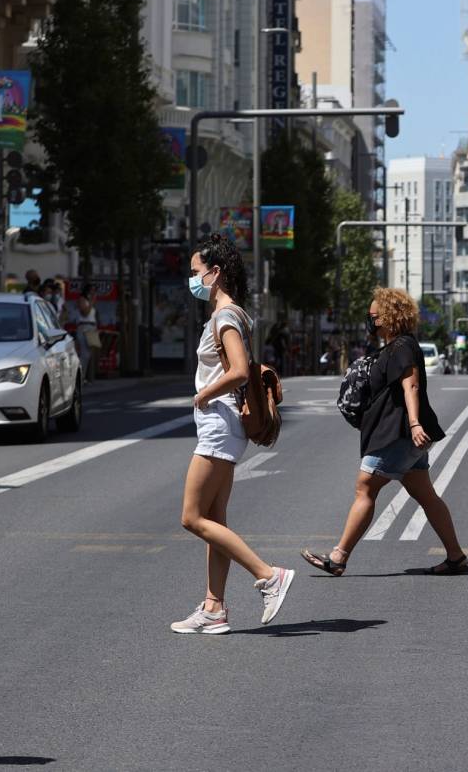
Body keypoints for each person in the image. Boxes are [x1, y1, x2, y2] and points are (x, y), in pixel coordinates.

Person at [171, 233, 295, 635]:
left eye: (196, 272)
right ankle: (214, 608)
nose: (192, 280)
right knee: (214, 518)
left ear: (215, 272)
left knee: (191, 517)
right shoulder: (234, 313)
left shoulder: (225, 316)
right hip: (225, 424)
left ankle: (267, 575)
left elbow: (239, 370)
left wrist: (203, 393)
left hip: (219, 424)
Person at [301, 288, 468, 577]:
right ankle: (456, 557)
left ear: (388, 318)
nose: (371, 321)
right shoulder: (394, 346)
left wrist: (415, 424)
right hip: (403, 434)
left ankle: (339, 557)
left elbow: (411, 386)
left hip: (399, 433)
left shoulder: (403, 347)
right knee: (426, 495)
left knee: (365, 487)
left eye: (374, 316)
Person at [74, 284, 99, 384]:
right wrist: (92, 302)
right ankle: (80, 376)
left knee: (89, 353)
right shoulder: (82, 300)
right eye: (92, 291)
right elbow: (85, 313)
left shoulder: (90, 301)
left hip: (92, 326)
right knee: (84, 353)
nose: (94, 294)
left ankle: (84, 375)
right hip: (84, 327)